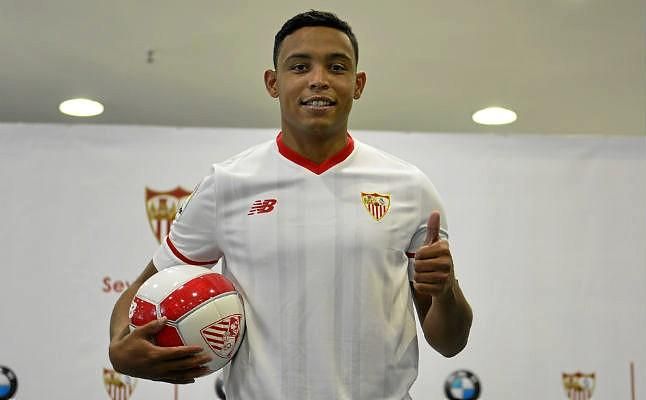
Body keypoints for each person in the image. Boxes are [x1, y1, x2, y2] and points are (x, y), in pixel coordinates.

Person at [109, 10, 473, 400]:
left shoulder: (409, 187)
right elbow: (143, 288)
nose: (319, 79)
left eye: (337, 67)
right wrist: (119, 348)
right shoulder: (227, 183)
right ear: (273, 82)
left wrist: (446, 290)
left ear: (358, 84)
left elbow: (449, 342)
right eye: (300, 67)